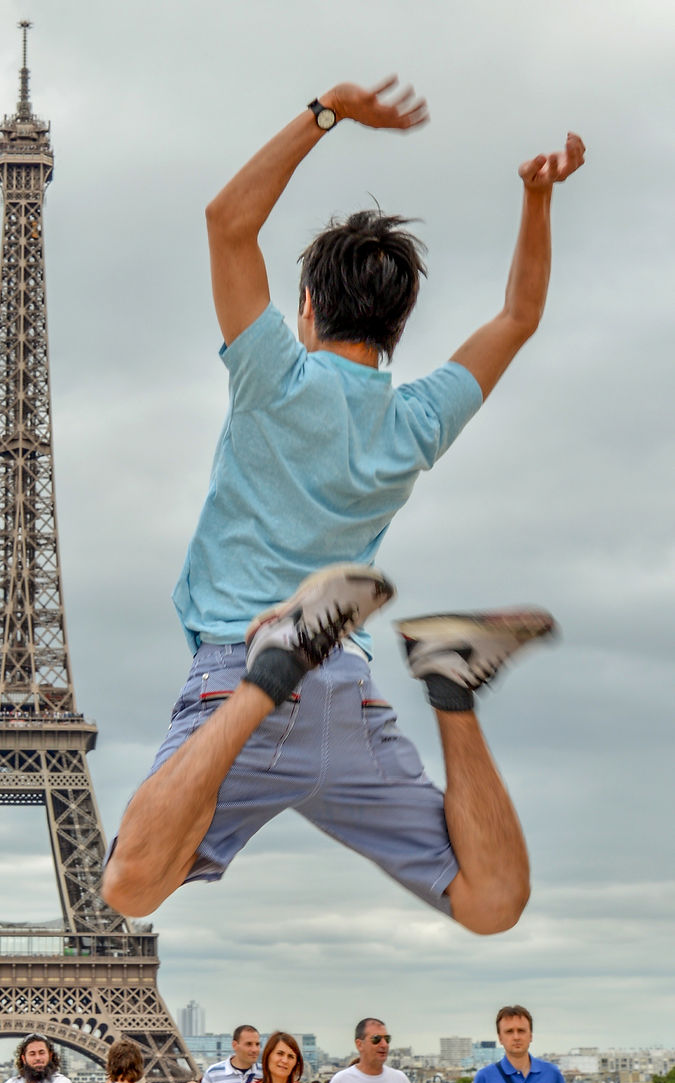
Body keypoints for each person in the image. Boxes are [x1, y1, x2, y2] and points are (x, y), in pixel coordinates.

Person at [101, 77, 585, 938]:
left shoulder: (273, 375)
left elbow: (226, 220)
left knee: (131, 887)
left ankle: (274, 660)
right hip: (351, 692)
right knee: (489, 903)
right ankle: (448, 684)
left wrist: (325, 112)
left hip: (238, 675)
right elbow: (519, 313)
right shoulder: (415, 419)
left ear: (308, 309)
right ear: (396, 328)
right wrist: (535, 197)